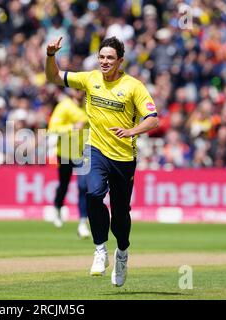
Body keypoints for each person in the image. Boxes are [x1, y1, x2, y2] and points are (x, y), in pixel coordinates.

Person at [45, 36, 159, 287]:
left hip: (124, 158)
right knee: (93, 194)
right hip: (95, 150)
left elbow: (153, 118)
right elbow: (54, 78)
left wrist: (132, 131)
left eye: (110, 58)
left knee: (120, 217)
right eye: (102, 57)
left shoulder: (134, 86)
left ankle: (122, 253)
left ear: (120, 61)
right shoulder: (89, 78)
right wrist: (51, 56)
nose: (105, 62)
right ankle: (99, 249)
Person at [47, 88, 91, 239]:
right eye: (78, 90)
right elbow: (53, 128)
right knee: (64, 184)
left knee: (83, 186)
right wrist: (72, 127)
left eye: (83, 91)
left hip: (82, 153)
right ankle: (58, 208)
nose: (81, 93)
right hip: (65, 151)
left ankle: (82, 223)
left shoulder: (88, 106)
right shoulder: (64, 106)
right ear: (73, 92)